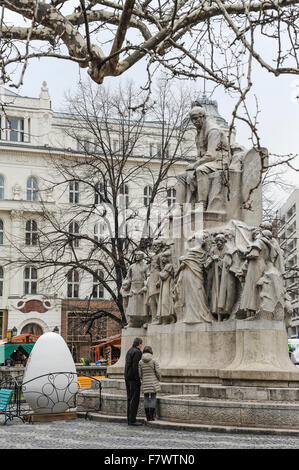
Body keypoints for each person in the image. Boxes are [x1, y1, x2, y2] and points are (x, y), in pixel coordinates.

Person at [138, 346, 161, 422]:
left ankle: (147, 416)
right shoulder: (154, 360)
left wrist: (143, 378)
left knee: (146, 398)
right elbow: (158, 372)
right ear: (151, 352)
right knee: (153, 398)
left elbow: (140, 374)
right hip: (153, 382)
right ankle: (152, 416)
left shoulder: (140, 362)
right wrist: (159, 378)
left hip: (145, 382)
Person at [124, 337, 143, 426]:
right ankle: (132, 420)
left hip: (127, 377)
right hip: (133, 379)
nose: (141, 346)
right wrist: (138, 379)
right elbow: (136, 367)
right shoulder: (137, 352)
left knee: (129, 398)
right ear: (139, 344)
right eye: (141, 344)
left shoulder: (129, 351)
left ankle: (129, 418)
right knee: (134, 400)